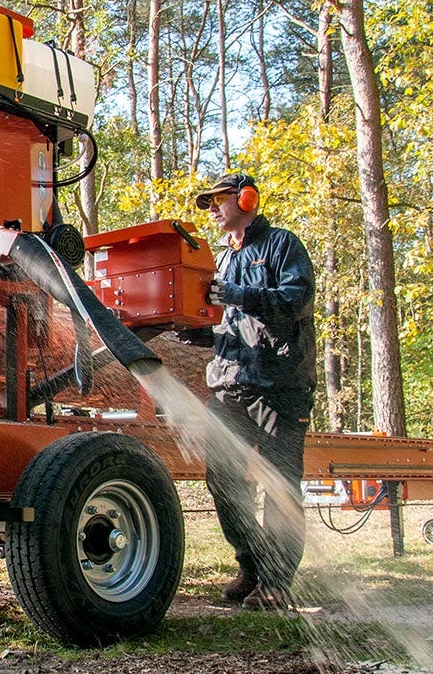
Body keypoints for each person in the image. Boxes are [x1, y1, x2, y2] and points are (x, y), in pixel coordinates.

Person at [178, 172, 316, 610]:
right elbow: (232, 325)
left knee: (280, 486)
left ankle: (277, 583)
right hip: (230, 386)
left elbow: (296, 298)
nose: (214, 209)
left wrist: (241, 294)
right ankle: (252, 565)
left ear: (247, 198)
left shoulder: (282, 246)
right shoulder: (222, 259)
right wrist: (200, 334)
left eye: (219, 200)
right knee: (222, 478)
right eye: (210, 203)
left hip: (279, 387)